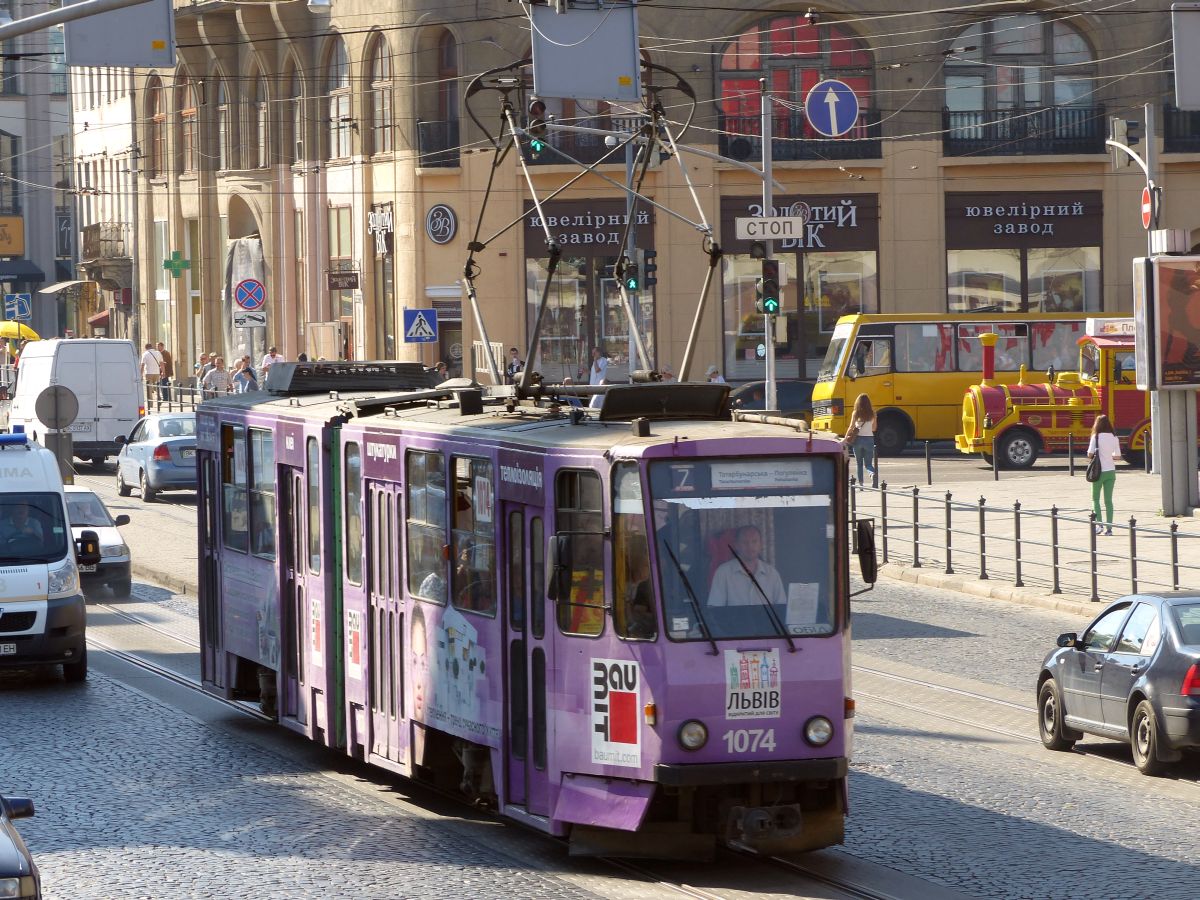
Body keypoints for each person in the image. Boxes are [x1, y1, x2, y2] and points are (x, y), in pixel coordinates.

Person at [707, 524, 786, 607]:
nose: (750, 546)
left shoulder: (772, 574)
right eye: (745, 542)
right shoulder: (723, 572)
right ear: (736, 545)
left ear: (761, 545)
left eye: (754, 541)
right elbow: (715, 610)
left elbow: (781, 610)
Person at [1087, 414, 1122, 536]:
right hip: (1111, 472)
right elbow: (1117, 456)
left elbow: (1090, 454)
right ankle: (1109, 529)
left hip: (1098, 472)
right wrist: (1108, 456)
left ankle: (1099, 525)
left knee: (1095, 499)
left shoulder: (1095, 437)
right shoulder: (1114, 437)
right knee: (1108, 501)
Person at [842, 393, 878, 487]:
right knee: (868, 464)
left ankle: (861, 485)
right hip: (869, 439)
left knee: (859, 464)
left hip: (858, 440)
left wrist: (845, 439)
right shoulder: (872, 413)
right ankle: (872, 474)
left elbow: (851, 427)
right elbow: (874, 429)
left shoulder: (856, 413)